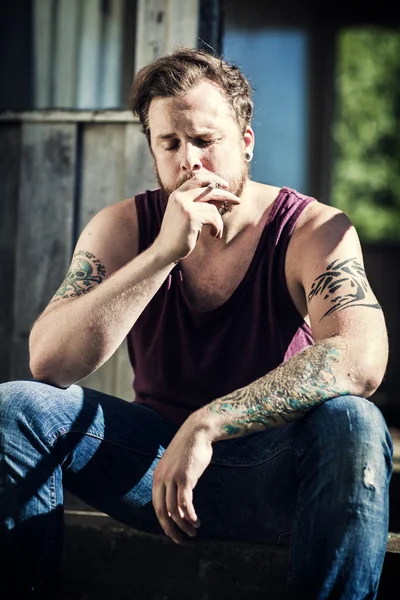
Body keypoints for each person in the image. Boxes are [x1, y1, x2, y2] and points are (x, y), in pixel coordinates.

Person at [0, 47, 393, 599]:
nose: (189, 160)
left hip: (272, 470)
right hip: (154, 472)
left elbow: (362, 356)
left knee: (355, 422)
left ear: (247, 142)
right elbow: (50, 361)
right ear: (154, 152)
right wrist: (162, 253)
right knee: (14, 408)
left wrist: (209, 422)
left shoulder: (311, 229)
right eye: (171, 143)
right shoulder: (125, 227)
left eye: (206, 141)